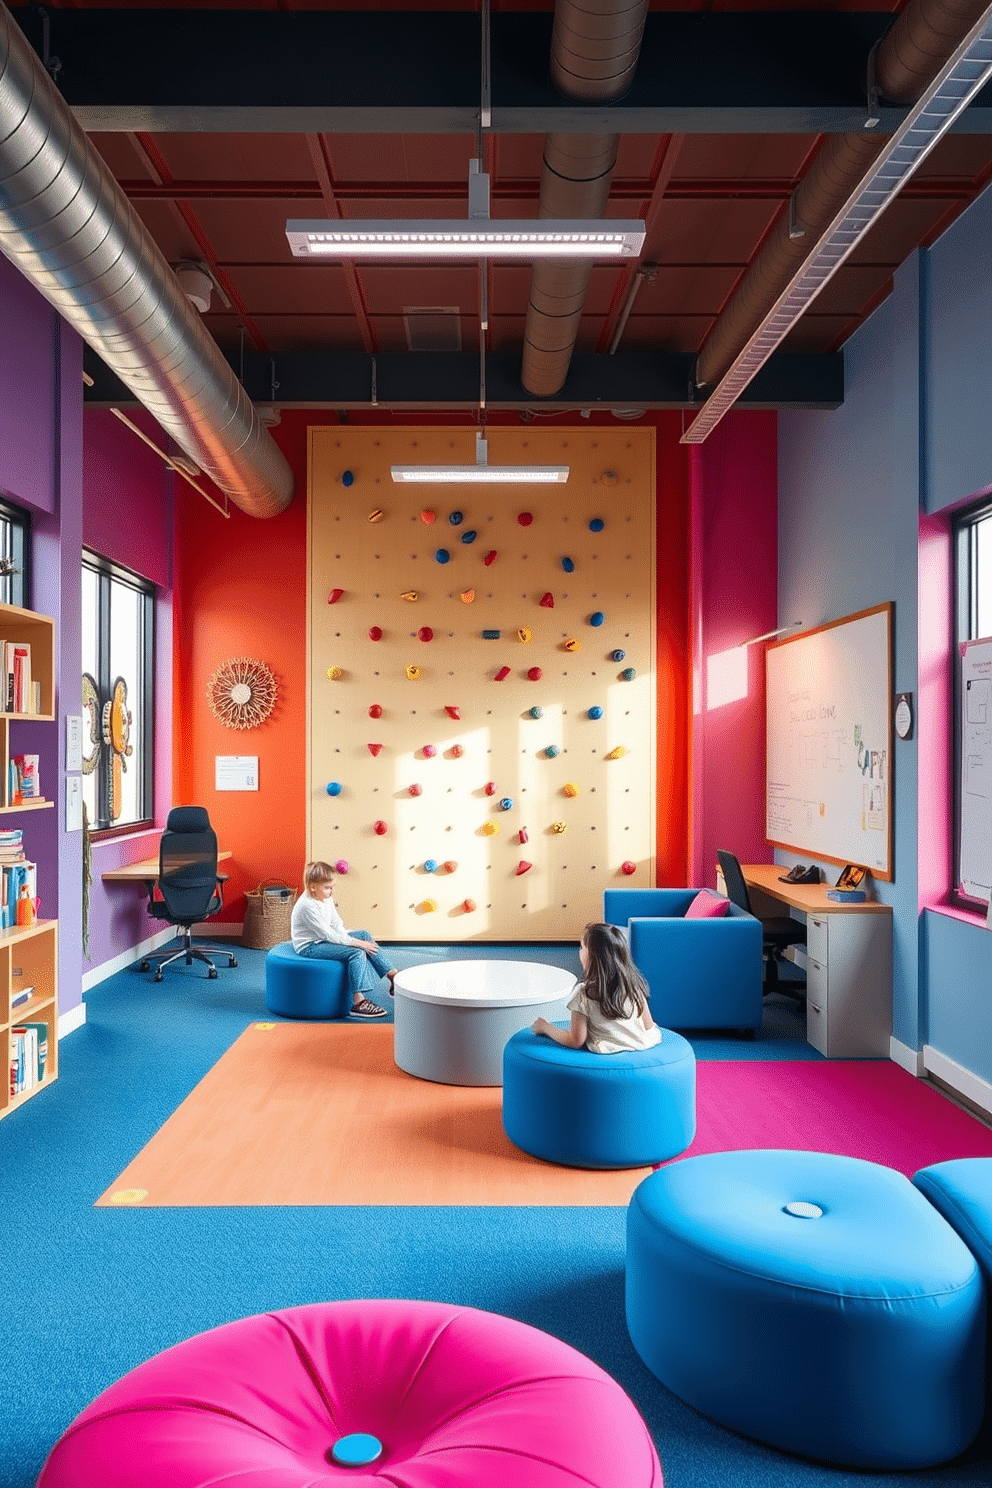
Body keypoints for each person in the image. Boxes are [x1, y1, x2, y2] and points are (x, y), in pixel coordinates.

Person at [532, 921, 661, 1054]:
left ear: (591, 957)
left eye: (582, 947)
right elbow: (649, 1026)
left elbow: (576, 1041)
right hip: (641, 1045)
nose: (579, 951)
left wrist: (546, 1027)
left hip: (607, 1049)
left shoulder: (584, 992)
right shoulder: (633, 986)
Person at [291, 860, 397, 1018]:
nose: (331, 891)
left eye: (332, 887)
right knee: (357, 952)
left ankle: (393, 976)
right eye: (327, 888)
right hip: (310, 946)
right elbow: (328, 934)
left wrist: (355, 939)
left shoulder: (325, 898)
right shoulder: (307, 906)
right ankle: (358, 1002)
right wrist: (357, 944)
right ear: (313, 887)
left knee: (364, 935)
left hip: (323, 938)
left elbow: (336, 925)